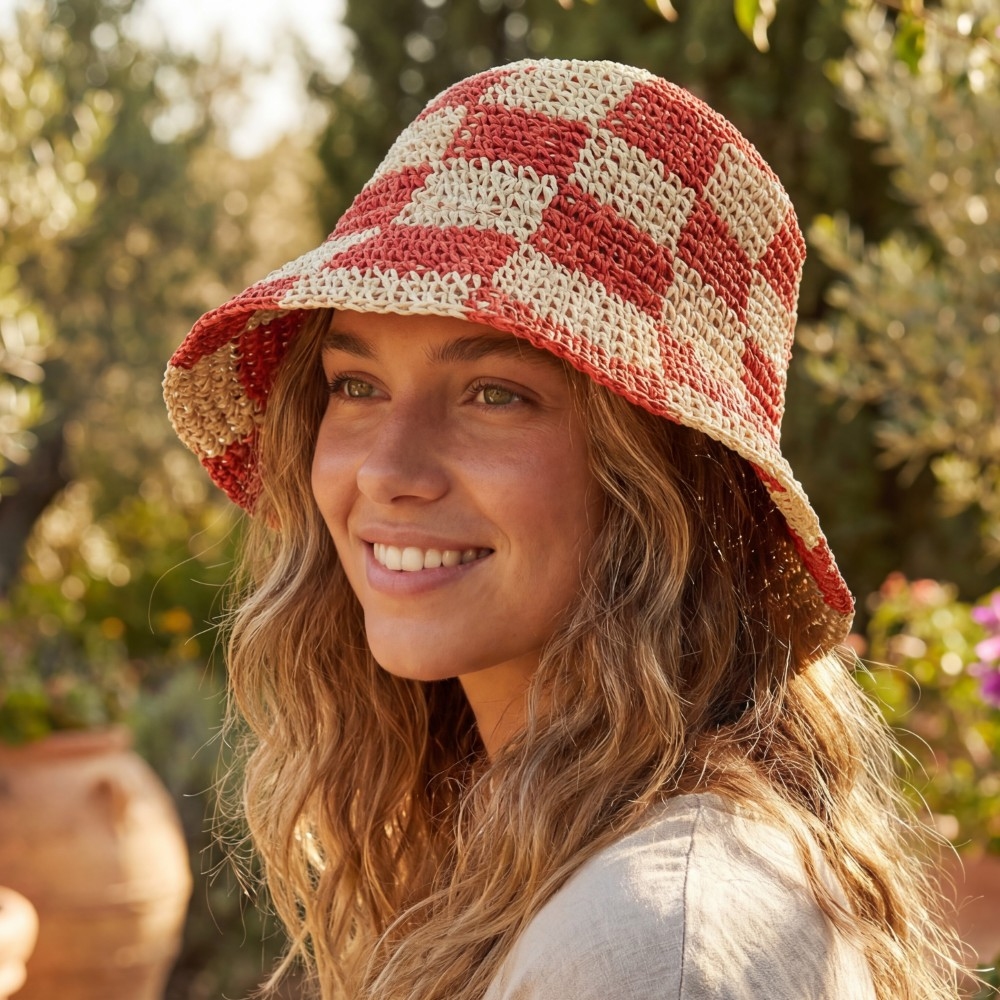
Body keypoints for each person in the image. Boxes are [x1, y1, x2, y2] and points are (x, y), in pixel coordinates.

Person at [164, 59, 965, 1000]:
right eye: (357, 385)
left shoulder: (649, 946)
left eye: (494, 394)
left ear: (663, 477)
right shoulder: (538, 847)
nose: (387, 469)